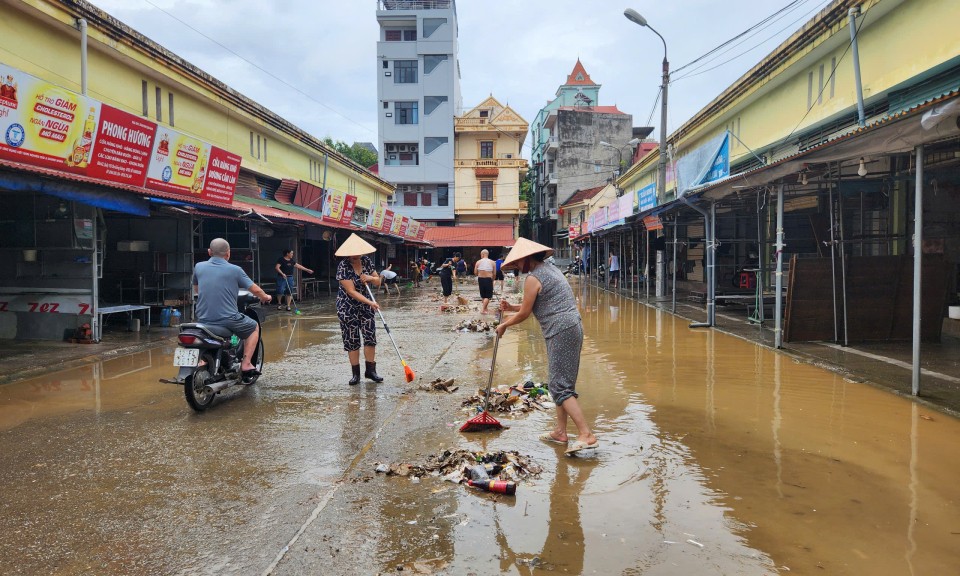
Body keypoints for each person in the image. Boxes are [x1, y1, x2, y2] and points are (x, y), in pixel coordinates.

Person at [496, 237, 598, 454]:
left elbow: (525, 313)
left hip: (561, 329)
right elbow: (531, 306)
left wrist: (504, 325)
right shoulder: (550, 270)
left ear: (526, 259)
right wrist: (511, 306)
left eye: (517, 264)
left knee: (559, 386)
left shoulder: (534, 277)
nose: (517, 269)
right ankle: (560, 432)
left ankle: (586, 434)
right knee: (561, 383)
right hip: (570, 326)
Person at [193, 238, 272, 379]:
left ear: (209, 252)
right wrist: (265, 297)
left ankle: (205, 360)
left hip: (202, 318)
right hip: (227, 319)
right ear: (228, 254)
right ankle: (246, 363)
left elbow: (197, 290)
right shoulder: (235, 270)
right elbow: (255, 289)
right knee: (253, 327)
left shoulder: (198, 267)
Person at [335, 234, 383, 385]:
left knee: (370, 336)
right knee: (352, 339)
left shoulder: (367, 262)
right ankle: (355, 374)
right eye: (352, 254)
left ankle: (371, 371)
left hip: (366, 306)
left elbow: (378, 282)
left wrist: (370, 278)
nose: (355, 256)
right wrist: (370, 302)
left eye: (358, 253)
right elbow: (351, 291)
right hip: (347, 306)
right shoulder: (343, 266)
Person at [474, 249, 496, 314]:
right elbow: (494, 273)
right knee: (488, 296)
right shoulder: (492, 262)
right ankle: (483, 309)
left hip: (480, 279)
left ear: (482, 254)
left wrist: (480, 274)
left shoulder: (478, 262)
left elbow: (475, 272)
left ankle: (485, 309)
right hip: (488, 279)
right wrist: (492, 280)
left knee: (483, 295)